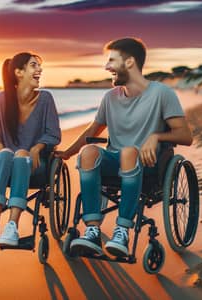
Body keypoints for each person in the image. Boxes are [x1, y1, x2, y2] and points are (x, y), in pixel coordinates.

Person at [56, 37, 193, 257]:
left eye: (112, 60)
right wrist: (67, 153)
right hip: (115, 162)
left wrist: (156, 137)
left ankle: (122, 230)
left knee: (129, 151)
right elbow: (92, 132)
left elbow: (186, 135)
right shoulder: (110, 98)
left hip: (148, 165)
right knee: (89, 152)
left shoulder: (161, 94)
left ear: (129, 62)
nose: (106, 66)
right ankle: (92, 230)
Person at [0, 52, 61, 246]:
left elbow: (53, 133)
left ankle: (12, 226)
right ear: (19, 72)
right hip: (3, 161)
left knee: (21, 155)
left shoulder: (45, 99)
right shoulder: (1, 99)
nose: (40, 70)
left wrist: (36, 148)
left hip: (34, 164)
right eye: (33, 66)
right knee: (5, 153)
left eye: (39, 66)